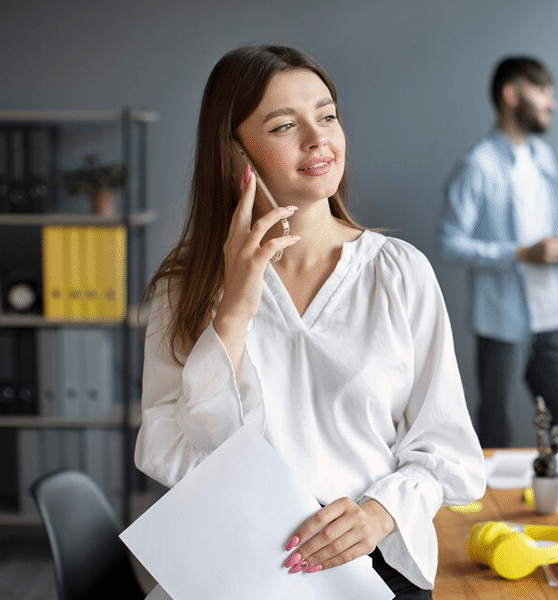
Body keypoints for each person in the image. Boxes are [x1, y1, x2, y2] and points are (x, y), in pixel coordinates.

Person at [134, 44, 485, 599]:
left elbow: (451, 455)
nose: (318, 138)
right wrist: (235, 309)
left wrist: (379, 513)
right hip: (238, 570)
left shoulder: (398, 273)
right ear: (235, 152)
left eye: (326, 116)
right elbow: (176, 454)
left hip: (370, 567)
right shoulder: (185, 288)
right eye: (283, 126)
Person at [437, 56, 558, 448]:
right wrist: (520, 254)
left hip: (553, 315)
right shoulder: (478, 165)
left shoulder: (544, 157)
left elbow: (543, 228)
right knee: (494, 431)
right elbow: (449, 244)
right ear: (511, 94)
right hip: (502, 323)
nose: (551, 103)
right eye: (542, 92)